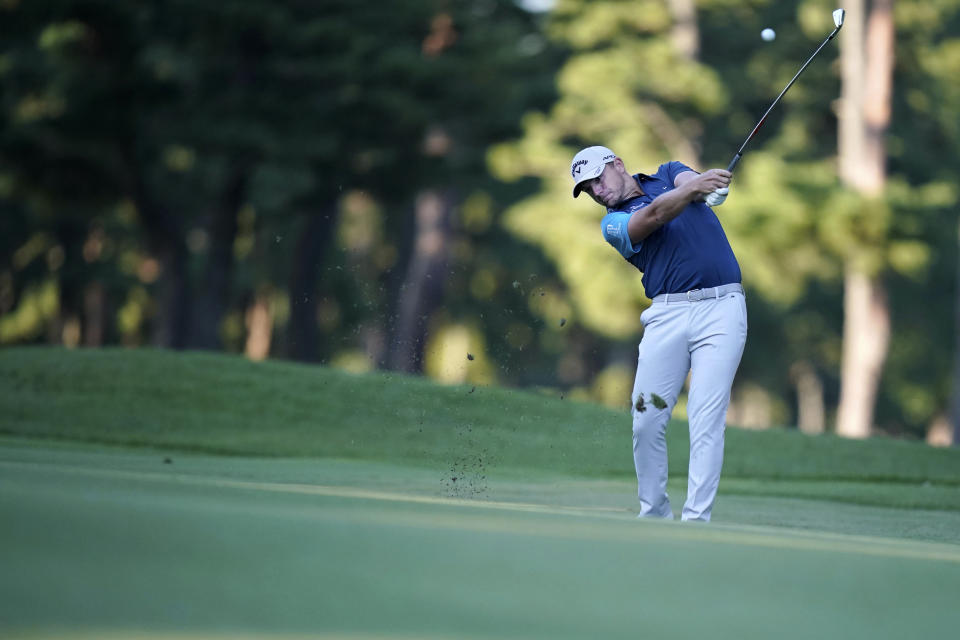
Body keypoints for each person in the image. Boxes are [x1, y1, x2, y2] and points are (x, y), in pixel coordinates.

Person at [570, 145, 747, 522]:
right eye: (588, 190)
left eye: (598, 180)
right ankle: (654, 515)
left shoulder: (669, 171)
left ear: (618, 164)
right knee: (646, 419)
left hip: (723, 310)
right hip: (666, 316)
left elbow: (688, 182)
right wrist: (697, 188)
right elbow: (655, 214)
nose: (597, 192)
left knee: (705, 416)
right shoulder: (613, 224)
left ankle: (696, 520)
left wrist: (707, 185)